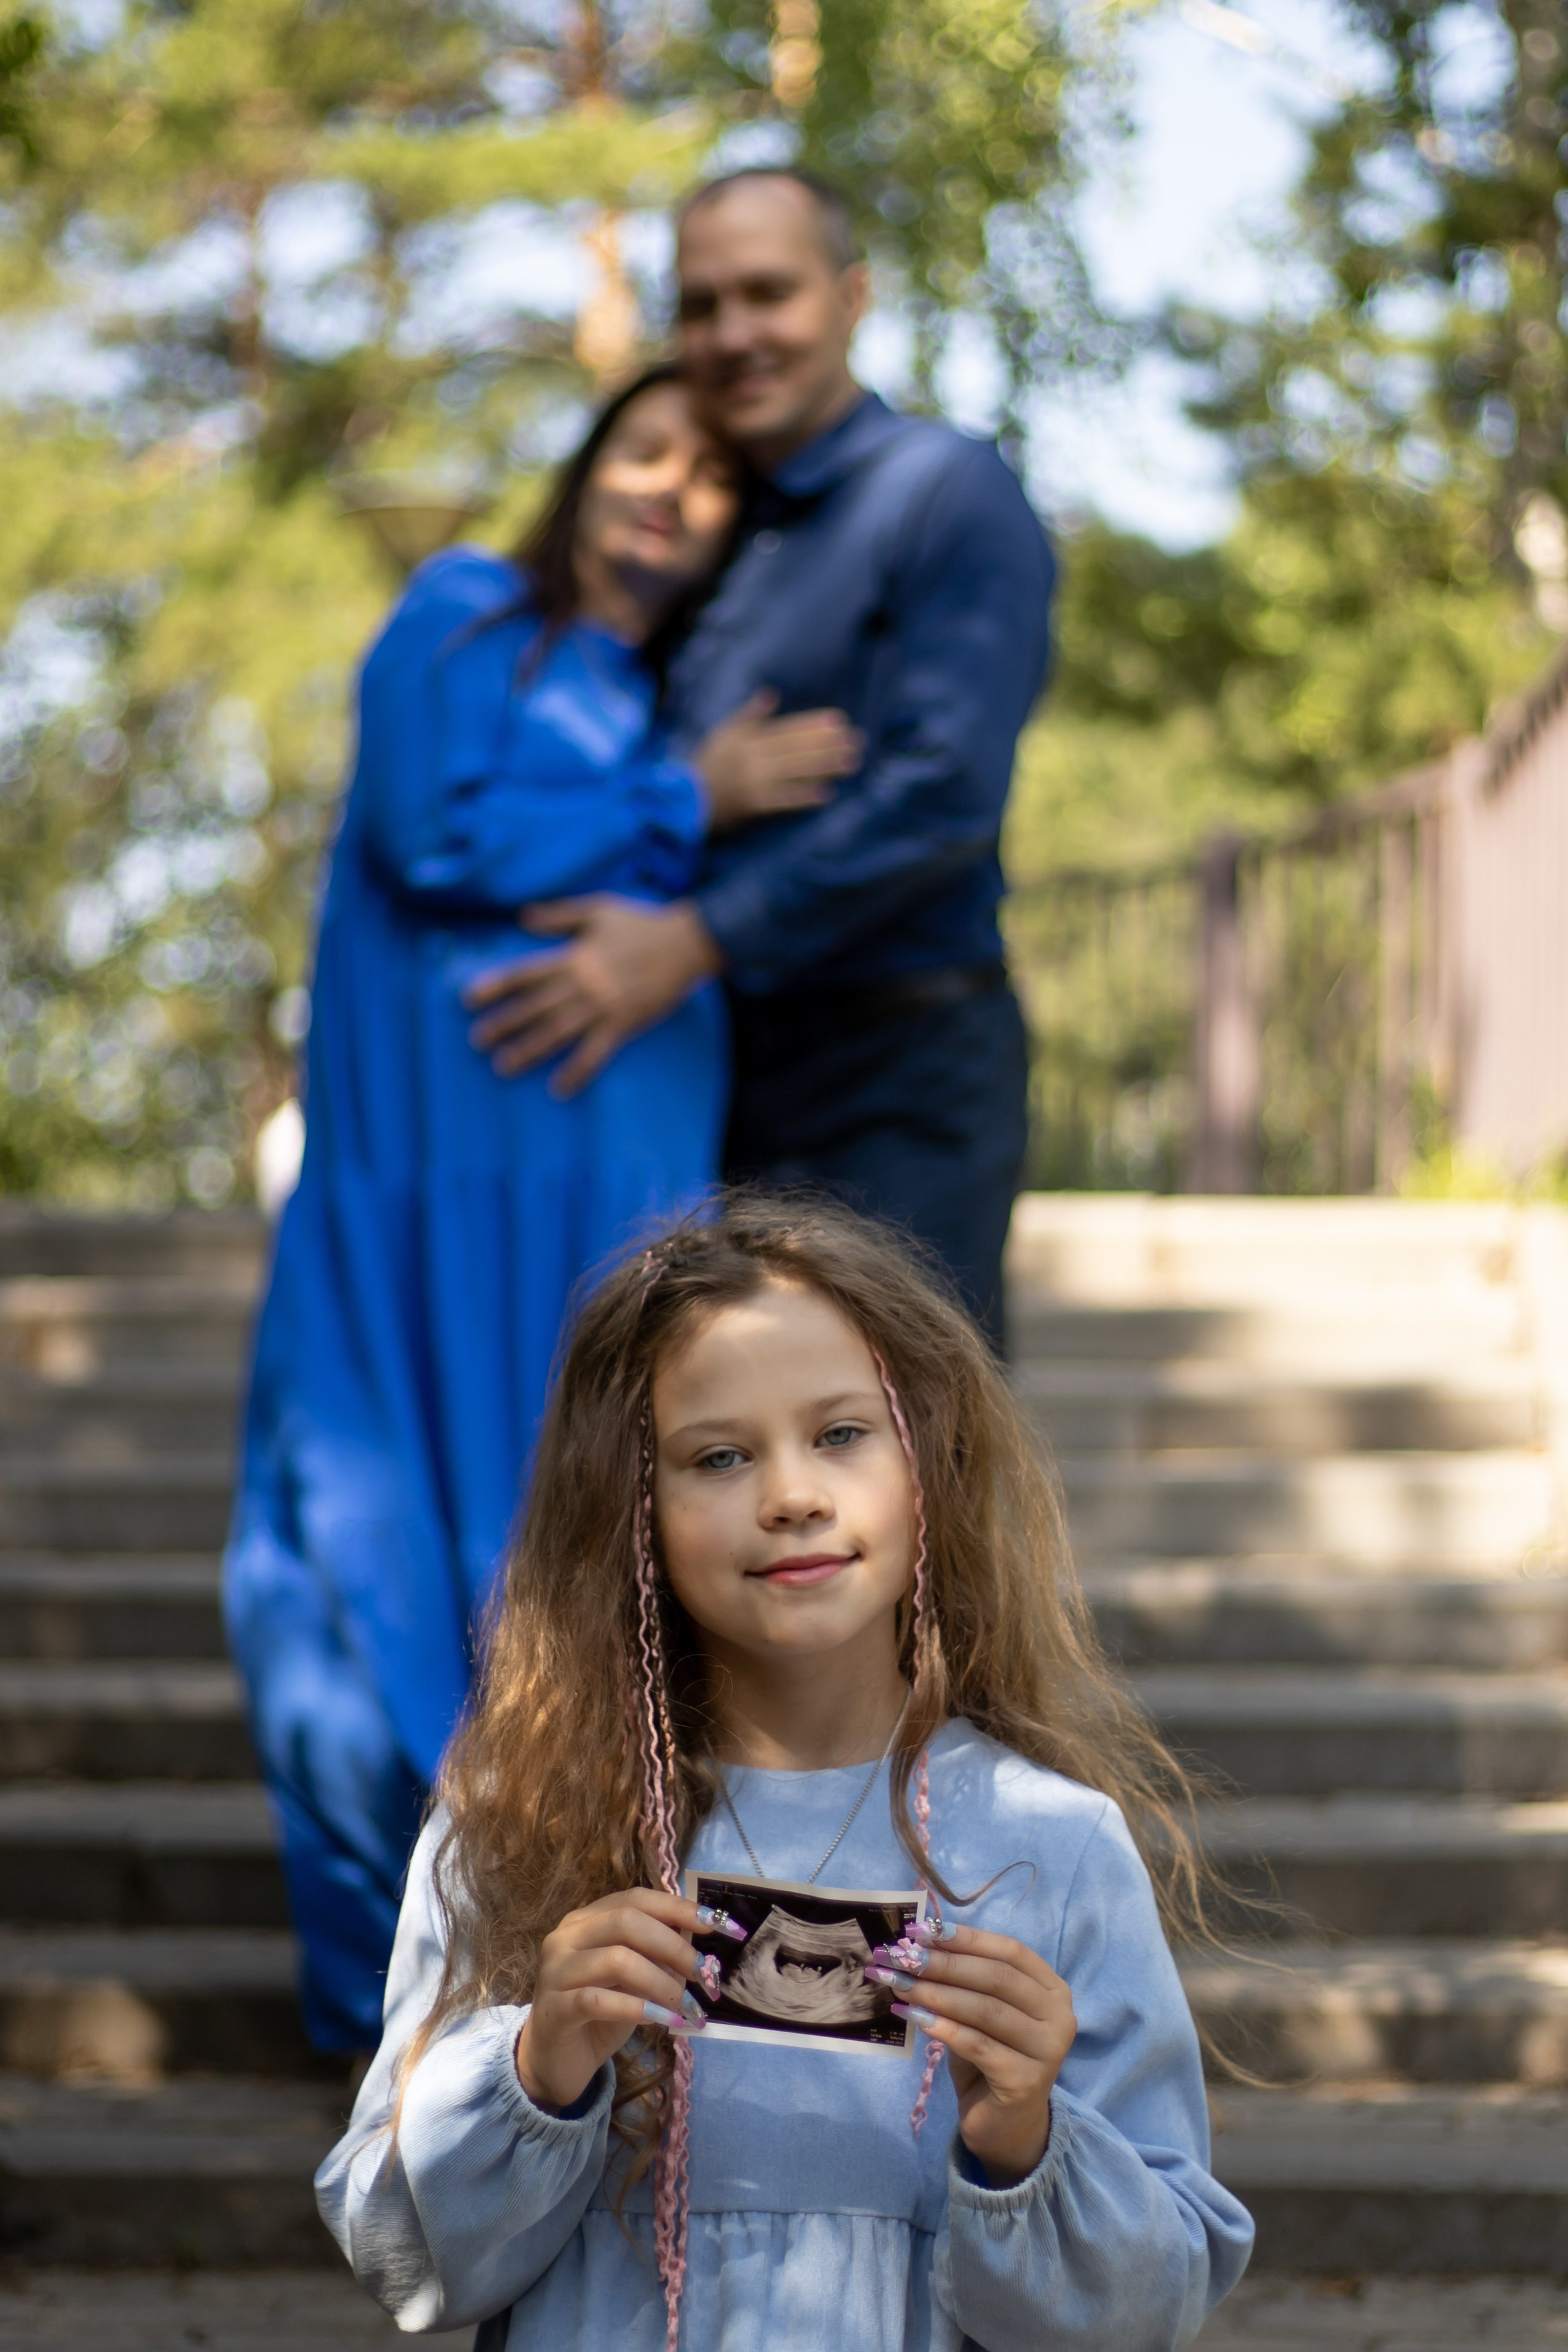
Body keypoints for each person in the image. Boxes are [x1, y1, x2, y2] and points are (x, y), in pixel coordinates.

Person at [317, 1197, 1254, 2347]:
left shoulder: (1051, 1845)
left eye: (844, 1434)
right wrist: (538, 2063)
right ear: (632, 1508)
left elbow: (1149, 2311)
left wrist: (1024, 2137)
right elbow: (399, 2257)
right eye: (719, 1455)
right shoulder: (513, 1827)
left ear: (930, 1466)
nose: (793, 1494)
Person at [223, 370, 861, 2052]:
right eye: (649, 451)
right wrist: (686, 801)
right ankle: (401, 2017)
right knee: (332, 1587)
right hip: (421, 1202)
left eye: (715, 481)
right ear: (588, 465)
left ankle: (583, 2003)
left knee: (578, 1581)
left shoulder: (658, 705)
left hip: (612, 1199)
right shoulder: (467, 615)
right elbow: (439, 830)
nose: (672, 493)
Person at [464, 169, 1056, 1349]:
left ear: (850, 298)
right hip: (706, 1083)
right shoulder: (701, 533)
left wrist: (692, 940)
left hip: (897, 1070)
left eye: (768, 294)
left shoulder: (947, 496)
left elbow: (941, 792)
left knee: (904, 1458)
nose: (734, 335)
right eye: (701, 305)